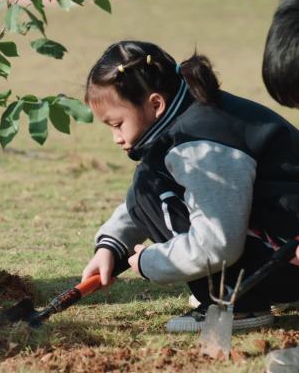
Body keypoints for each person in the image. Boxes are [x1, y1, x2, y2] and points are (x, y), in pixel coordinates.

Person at [79, 40, 299, 333]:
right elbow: (146, 194)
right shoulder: (190, 114)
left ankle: (238, 304)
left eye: (117, 124)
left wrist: (152, 262)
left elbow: (218, 244)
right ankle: (254, 288)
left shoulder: (199, 147)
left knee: (153, 186)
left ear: (156, 104)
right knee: (150, 181)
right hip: (284, 245)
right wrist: (111, 245)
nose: (116, 138)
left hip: (290, 255)